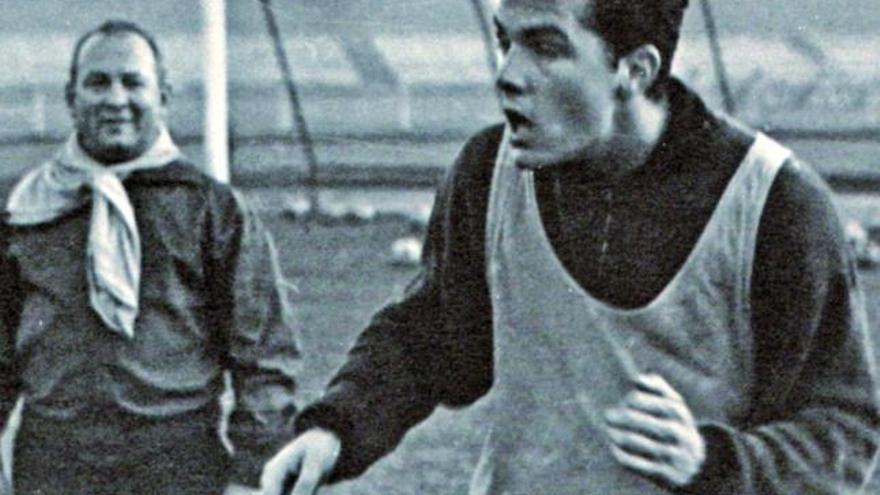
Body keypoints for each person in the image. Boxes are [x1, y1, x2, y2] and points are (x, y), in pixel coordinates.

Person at [260, 0, 880, 494]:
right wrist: (336, 430)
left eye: (546, 46)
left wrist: (712, 464)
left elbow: (842, 434)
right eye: (506, 41)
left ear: (634, 69)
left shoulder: (774, 204)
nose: (507, 76)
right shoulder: (489, 171)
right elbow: (432, 338)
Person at [0, 20, 299, 495]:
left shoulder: (212, 210)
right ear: (70, 97)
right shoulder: (26, 209)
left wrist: (253, 474)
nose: (115, 99)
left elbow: (263, 356)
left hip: (176, 462)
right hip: (53, 463)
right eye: (97, 83)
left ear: (162, 96)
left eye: (132, 82)